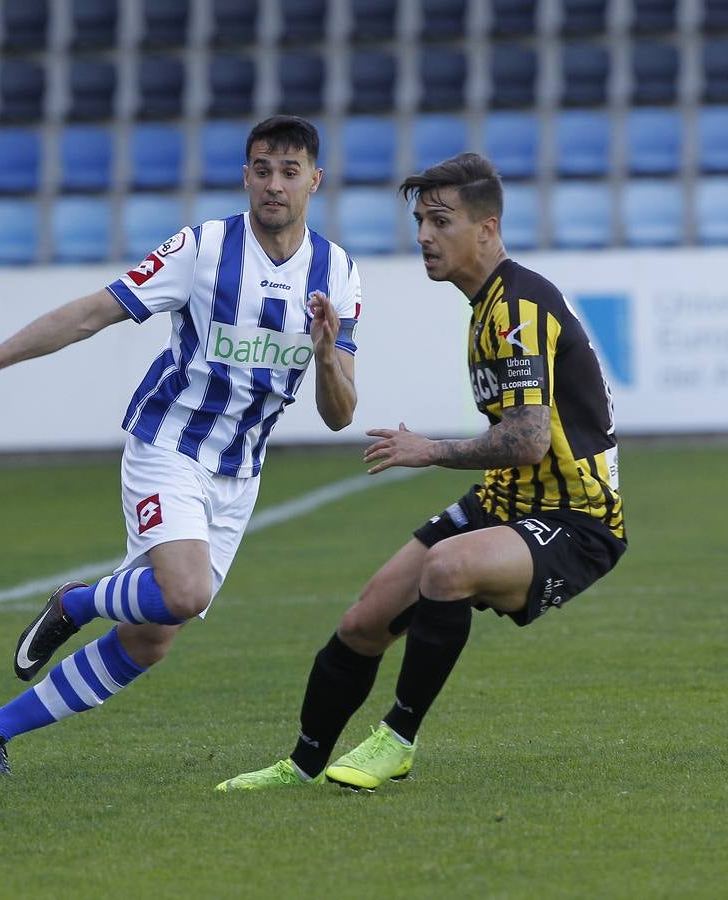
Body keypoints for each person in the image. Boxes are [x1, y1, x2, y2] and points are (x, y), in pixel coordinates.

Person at [0, 115, 362, 775]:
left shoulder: (336, 272)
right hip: (169, 444)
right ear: (245, 176)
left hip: (238, 472)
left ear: (315, 180)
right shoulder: (201, 248)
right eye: (260, 169)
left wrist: (328, 352)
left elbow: (339, 416)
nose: (273, 185)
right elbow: (91, 312)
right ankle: (76, 601)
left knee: (151, 637)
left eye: (288, 172)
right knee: (185, 594)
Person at [216, 152, 626, 793]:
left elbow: (524, 439)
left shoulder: (519, 307)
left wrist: (427, 450)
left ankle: (397, 740)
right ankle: (299, 767)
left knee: (448, 569)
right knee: (364, 620)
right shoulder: (486, 304)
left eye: (441, 221)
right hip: (506, 500)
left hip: (575, 518)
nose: (424, 237)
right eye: (419, 221)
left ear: (487, 228)